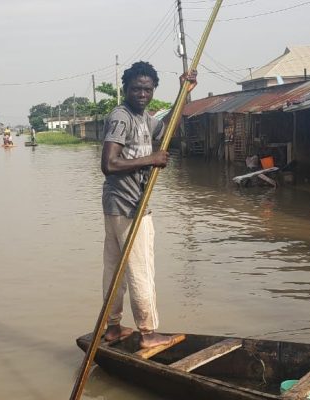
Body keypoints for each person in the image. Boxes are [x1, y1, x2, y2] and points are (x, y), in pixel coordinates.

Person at [100, 61, 197, 349]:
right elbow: (109, 163)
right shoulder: (122, 116)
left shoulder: (143, 118)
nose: (142, 94)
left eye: (147, 89)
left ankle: (113, 327)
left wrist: (183, 93)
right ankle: (148, 332)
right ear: (125, 89)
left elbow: (167, 131)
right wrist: (150, 159)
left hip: (117, 205)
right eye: (136, 89)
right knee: (141, 270)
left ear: (153, 90)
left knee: (114, 270)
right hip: (130, 206)